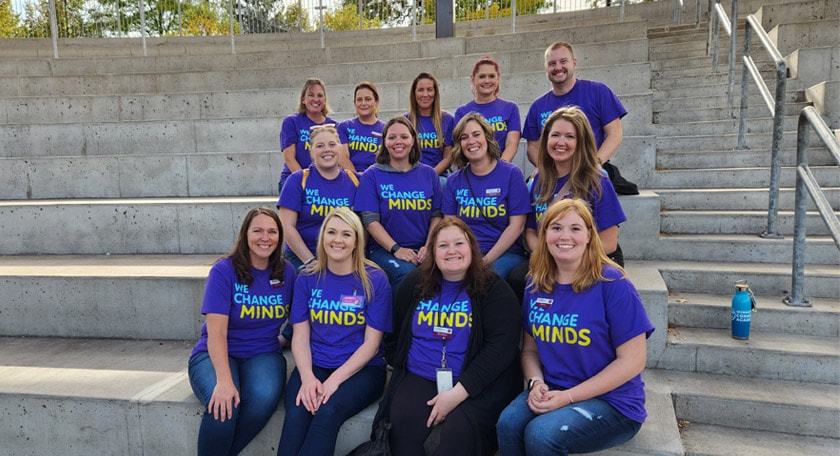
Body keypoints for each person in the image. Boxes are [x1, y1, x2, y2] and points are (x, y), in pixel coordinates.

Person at [496, 199, 654, 456]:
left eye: (575, 229)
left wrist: (569, 397)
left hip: (613, 402)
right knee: (509, 424)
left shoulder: (612, 283)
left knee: (542, 435)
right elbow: (529, 351)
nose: (565, 236)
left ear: (590, 236)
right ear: (544, 235)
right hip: (554, 388)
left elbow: (633, 361)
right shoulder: (535, 284)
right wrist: (536, 382)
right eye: (556, 228)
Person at [372, 216, 521, 456]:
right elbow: (396, 334)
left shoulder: (493, 289)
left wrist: (458, 393)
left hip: (476, 381)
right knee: (401, 429)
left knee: (458, 436)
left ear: (471, 247)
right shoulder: (415, 283)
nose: (452, 251)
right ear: (432, 251)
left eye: (459, 244)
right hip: (421, 373)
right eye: (443, 245)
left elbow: (501, 348)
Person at [277, 208, 392, 456]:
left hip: (362, 369)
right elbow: (300, 336)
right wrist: (307, 378)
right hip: (315, 363)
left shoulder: (375, 279)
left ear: (356, 241)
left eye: (346, 234)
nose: (337, 240)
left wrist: (333, 382)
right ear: (322, 237)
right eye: (331, 232)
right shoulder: (307, 278)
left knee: (327, 411)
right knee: (297, 412)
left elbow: (371, 345)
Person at [188, 207, 296, 456]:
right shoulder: (224, 271)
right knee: (224, 406)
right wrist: (224, 382)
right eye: (257, 231)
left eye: (272, 231)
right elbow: (216, 333)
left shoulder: (286, 271)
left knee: (261, 401)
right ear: (245, 235)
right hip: (215, 353)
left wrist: (285, 337)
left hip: (263, 353)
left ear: (280, 236)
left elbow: (299, 321)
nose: (265, 238)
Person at [356, 116, 443, 288]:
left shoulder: (429, 174)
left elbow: (437, 216)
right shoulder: (372, 175)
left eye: (404, 137)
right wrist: (396, 249)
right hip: (384, 250)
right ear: (384, 142)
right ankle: (399, 316)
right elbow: (370, 221)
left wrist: (428, 246)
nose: (398, 142)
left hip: (423, 248)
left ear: (413, 140)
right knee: (408, 274)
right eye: (392, 137)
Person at [443, 113, 530, 280]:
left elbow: (516, 226)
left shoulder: (511, 174)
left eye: (476, 134)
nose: (471, 141)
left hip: (504, 253)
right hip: (466, 252)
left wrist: (485, 261)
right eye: (464, 137)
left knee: (486, 277)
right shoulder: (455, 180)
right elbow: (450, 225)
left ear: (487, 137)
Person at [523, 41, 627, 167]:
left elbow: (615, 134)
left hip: (594, 168)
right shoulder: (537, 106)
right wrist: (545, 170)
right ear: (546, 67)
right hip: (554, 174)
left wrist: (594, 165)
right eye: (552, 63)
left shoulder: (598, 92)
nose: (558, 67)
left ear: (574, 63)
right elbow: (532, 148)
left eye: (563, 61)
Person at [277, 124, 359, 271]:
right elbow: (287, 226)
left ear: (340, 149)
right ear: (311, 152)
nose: (327, 149)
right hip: (302, 255)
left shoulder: (355, 180)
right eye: (320, 146)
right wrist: (310, 261)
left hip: (343, 254)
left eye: (332, 144)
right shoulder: (297, 179)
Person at [454, 55, 522, 163]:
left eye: (491, 76)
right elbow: (461, 146)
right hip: (473, 169)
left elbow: (512, 143)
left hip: (502, 166)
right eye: (482, 76)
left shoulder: (511, 108)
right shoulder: (461, 112)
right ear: (473, 79)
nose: (487, 80)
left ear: (498, 78)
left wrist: (499, 168)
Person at [278, 78, 337, 191]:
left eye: (320, 95)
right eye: (311, 95)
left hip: (325, 180)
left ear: (325, 100)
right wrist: (306, 181)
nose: (316, 99)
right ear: (303, 100)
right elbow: (289, 158)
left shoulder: (333, 126)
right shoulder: (291, 122)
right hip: (294, 179)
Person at [406, 72, 455, 177]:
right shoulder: (405, 121)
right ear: (414, 93)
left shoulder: (448, 120)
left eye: (429, 90)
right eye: (420, 90)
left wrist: (431, 175)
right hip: (410, 175)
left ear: (435, 93)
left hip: (437, 176)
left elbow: (448, 157)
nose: (425, 94)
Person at [338, 81, 386, 174]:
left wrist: (368, 179)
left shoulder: (386, 129)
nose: (363, 103)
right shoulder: (344, 127)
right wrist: (357, 177)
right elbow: (342, 157)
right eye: (359, 99)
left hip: (376, 178)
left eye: (368, 99)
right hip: (350, 178)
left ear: (376, 101)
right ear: (354, 103)